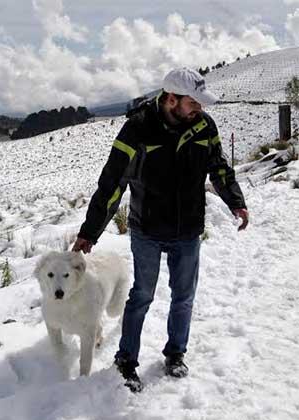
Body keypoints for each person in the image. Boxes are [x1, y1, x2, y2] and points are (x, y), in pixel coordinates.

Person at [72, 67, 249, 393]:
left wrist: (235, 201)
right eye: (194, 102)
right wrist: (90, 232)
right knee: (142, 296)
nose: (200, 109)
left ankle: (175, 354)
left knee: (184, 297)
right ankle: (126, 361)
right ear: (171, 99)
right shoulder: (138, 130)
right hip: (148, 230)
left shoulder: (203, 126)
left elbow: (219, 167)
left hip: (188, 230)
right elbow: (112, 182)